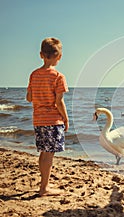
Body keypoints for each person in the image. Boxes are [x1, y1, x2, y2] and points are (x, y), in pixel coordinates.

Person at [26, 37, 69, 196]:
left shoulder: (34, 75)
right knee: (49, 155)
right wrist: (65, 118)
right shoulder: (58, 76)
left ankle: (43, 185)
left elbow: (29, 98)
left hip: (38, 120)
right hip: (53, 120)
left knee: (43, 153)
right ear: (59, 56)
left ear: (41, 54)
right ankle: (44, 188)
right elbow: (59, 102)